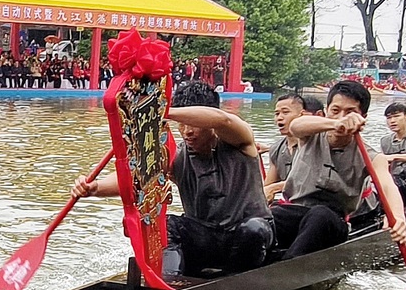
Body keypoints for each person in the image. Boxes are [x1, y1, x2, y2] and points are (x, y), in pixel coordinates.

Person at [72, 80, 273, 277]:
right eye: (181, 125)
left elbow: (222, 120)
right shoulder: (177, 158)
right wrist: (94, 188)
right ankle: (169, 283)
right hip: (207, 237)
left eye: (193, 124)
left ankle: (235, 283)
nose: (187, 132)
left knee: (253, 230)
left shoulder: (240, 141)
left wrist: (161, 112)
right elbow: (136, 177)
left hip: (249, 235)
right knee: (166, 225)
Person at [273, 80, 406, 259]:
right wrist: (335, 124)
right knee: (263, 217)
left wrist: (398, 217)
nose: (341, 117)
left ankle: (286, 270)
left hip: (331, 222)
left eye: (350, 112)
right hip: (294, 212)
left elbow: (388, 187)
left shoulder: (372, 156)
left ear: (363, 117)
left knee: (319, 215)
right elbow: (296, 125)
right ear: (327, 111)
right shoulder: (309, 135)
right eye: (335, 111)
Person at [263, 93, 306, 203]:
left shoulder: (314, 144)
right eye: (277, 114)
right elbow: (267, 187)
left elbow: (308, 181)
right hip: (289, 206)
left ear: (302, 115)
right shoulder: (276, 148)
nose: (279, 117)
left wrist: (274, 188)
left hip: (312, 204)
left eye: (285, 112)